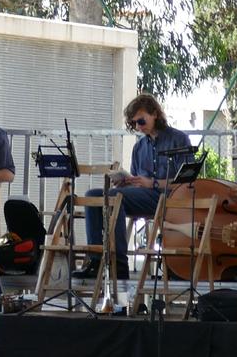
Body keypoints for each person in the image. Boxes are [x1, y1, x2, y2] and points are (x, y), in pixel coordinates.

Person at [83, 94, 194, 279]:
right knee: (92, 195)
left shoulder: (178, 140)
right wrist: (126, 182)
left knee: (117, 198)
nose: (138, 127)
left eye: (141, 121)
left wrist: (153, 183)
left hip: (168, 198)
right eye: (134, 123)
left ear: (155, 114)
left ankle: (119, 264)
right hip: (142, 196)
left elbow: (187, 181)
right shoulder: (139, 147)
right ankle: (96, 260)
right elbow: (137, 182)